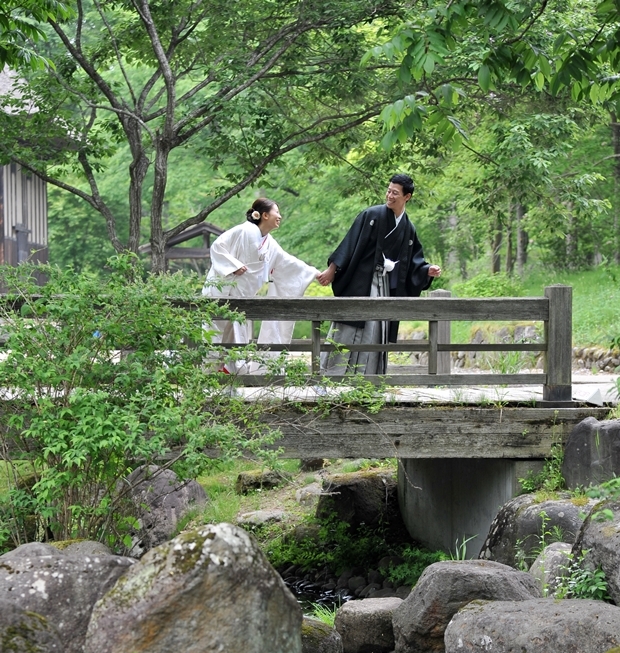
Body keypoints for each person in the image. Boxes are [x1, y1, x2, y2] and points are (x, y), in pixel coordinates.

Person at [316, 173, 441, 375]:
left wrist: (426, 270)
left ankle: (368, 379)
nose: (389, 195)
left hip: (384, 285)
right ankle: (330, 377)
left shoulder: (408, 227)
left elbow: (413, 261)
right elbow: (350, 243)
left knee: (376, 328)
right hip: (360, 282)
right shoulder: (372, 215)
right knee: (348, 327)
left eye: (395, 193)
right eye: (389, 190)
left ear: (407, 197)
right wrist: (332, 270)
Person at [202, 197, 320, 373]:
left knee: (236, 340)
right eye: (276, 212)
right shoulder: (243, 230)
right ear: (264, 215)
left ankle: (231, 376)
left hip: (242, 299)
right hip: (222, 292)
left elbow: (287, 262)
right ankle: (205, 375)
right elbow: (217, 247)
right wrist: (233, 266)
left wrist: (315, 274)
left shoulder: (269, 243)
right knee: (214, 336)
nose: (280, 216)